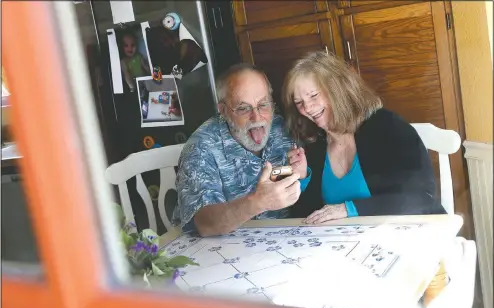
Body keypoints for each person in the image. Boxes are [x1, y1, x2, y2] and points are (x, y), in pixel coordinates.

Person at [283, 51, 445, 224]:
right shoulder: (313, 145)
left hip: (405, 233)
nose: (307, 107)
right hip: (345, 243)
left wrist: (349, 209)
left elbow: (420, 198)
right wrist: (302, 178)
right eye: (299, 102)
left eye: (314, 95)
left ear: (337, 89)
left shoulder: (387, 126)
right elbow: (307, 218)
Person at [172, 64, 301, 237]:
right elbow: (205, 223)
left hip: (281, 242)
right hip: (215, 250)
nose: (257, 117)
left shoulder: (282, 129)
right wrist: (257, 202)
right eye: (243, 108)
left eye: (263, 104)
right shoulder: (201, 148)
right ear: (223, 111)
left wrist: (300, 172)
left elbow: (279, 178)